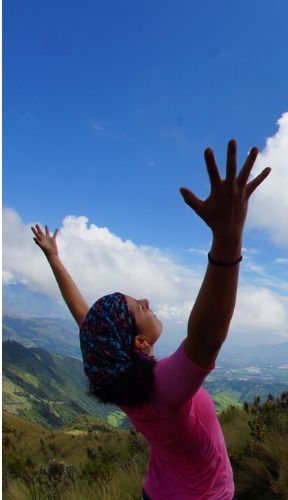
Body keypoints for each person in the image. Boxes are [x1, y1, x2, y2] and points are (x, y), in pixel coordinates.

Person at [32, 139, 270, 499]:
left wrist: (54, 259)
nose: (146, 300)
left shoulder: (121, 378)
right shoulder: (166, 388)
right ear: (139, 343)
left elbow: (87, 321)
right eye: (139, 308)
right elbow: (206, 336)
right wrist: (228, 237)